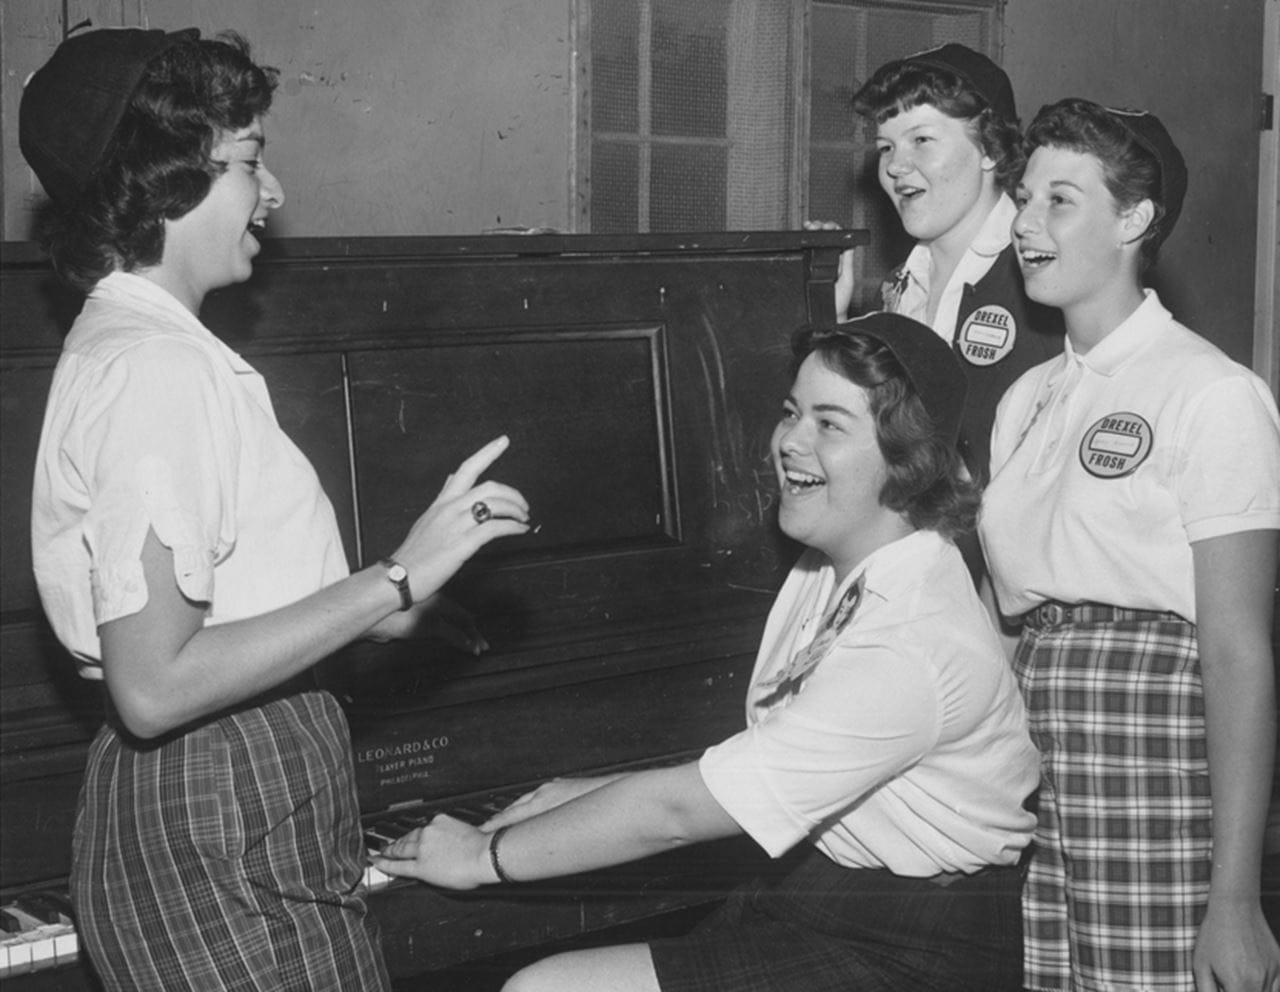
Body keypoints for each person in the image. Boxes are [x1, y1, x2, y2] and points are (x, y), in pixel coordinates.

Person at [21, 27, 531, 991]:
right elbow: (156, 685)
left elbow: (227, 610)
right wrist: (395, 576)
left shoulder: (144, 346)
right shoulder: (157, 368)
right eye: (252, 158)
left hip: (237, 802)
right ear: (167, 179)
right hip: (225, 813)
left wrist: (393, 616)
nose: (276, 190)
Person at [373, 312, 1041, 992]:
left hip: (917, 945)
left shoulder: (912, 638)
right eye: (791, 412)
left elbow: (679, 812)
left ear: (909, 458)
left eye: (829, 424)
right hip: (819, 888)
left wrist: (482, 855)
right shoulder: (833, 565)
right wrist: (590, 793)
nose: (788, 441)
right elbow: (766, 757)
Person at [980, 98, 1280, 992]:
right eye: (1023, 199)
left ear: (1135, 219)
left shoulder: (1213, 394)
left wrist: (1236, 897)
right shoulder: (1024, 397)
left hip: (1154, 761)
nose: (1027, 226)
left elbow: (1237, 649)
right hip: (1033, 752)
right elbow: (1006, 617)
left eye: (1060, 201)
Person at [817, 43, 1063, 486]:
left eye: (922, 140)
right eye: (886, 147)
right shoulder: (898, 289)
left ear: (989, 149)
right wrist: (831, 317)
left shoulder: (1045, 281)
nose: (895, 166)